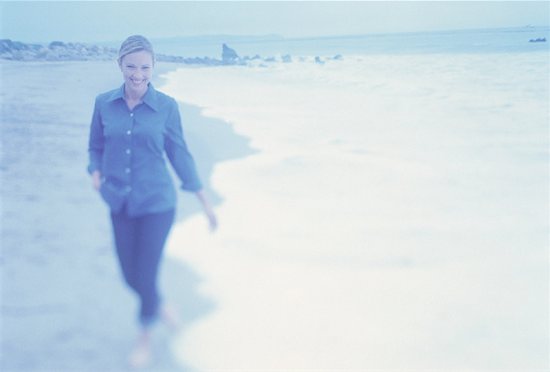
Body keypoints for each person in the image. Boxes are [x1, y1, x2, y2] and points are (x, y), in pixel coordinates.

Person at [87, 35, 217, 367]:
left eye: (144, 67)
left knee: (144, 274)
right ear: (120, 65)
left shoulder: (167, 107)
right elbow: (96, 146)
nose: (137, 74)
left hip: (157, 202)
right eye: (131, 66)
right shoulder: (104, 103)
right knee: (129, 275)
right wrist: (95, 171)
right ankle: (160, 305)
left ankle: (144, 336)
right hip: (118, 201)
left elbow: (179, 152)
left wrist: (203, 199)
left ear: (153, 66)